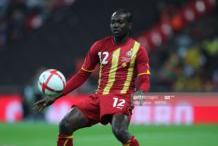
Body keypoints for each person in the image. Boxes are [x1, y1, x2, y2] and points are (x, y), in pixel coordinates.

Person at [33, 9, 150, 146]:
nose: (115, 25)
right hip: (99, 97)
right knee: (65, 124)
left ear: (129, 25)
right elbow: (82, 74)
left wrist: (141, 92)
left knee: (119, 131)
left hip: (121, 97)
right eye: (112, 22)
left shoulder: (138, 49)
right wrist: (56, 96)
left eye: (120, 22)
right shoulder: (99, 46)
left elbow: (144, 78)